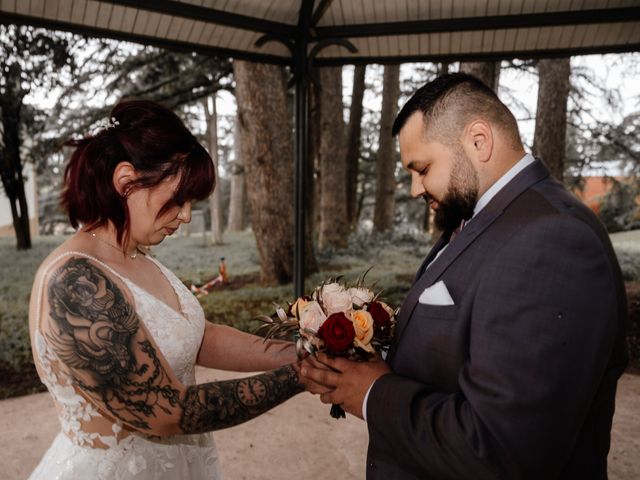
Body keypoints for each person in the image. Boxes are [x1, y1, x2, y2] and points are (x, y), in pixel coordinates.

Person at [301, 73, 628, 479]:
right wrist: (368, 356)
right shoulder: (483, 218)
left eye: (422, 168)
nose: (416, 188)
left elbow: (502, 448)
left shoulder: (554, 241)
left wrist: (372, 393)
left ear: (478, 141)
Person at [28, 99, 309, 479]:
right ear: (126, 181)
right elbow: (162, 411)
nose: (186, 215)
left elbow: (199, 336)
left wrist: (299, 353)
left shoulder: (139, 258)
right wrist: (305, 376)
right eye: (178, 199)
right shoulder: (75, 282)